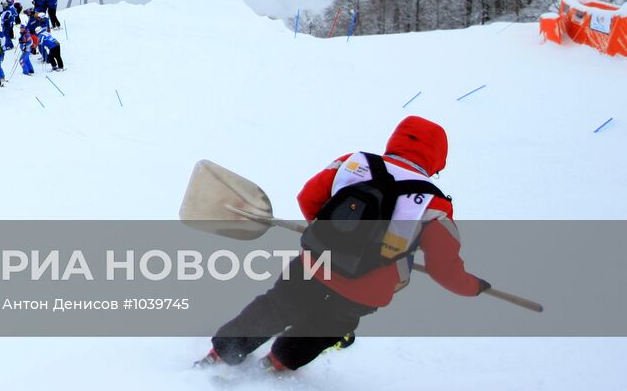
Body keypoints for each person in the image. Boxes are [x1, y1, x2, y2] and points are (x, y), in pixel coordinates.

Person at [198, 117, 488, 373]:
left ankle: (223, 352)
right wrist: (473, 286)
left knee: (279, 305)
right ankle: (279, 361)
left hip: (316, 260)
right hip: (367, 287)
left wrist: (333, 233)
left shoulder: (354, 163)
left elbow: (308, 198)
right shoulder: (433, 204)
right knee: (330, 323)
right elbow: (443, 268)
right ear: (437, 159)